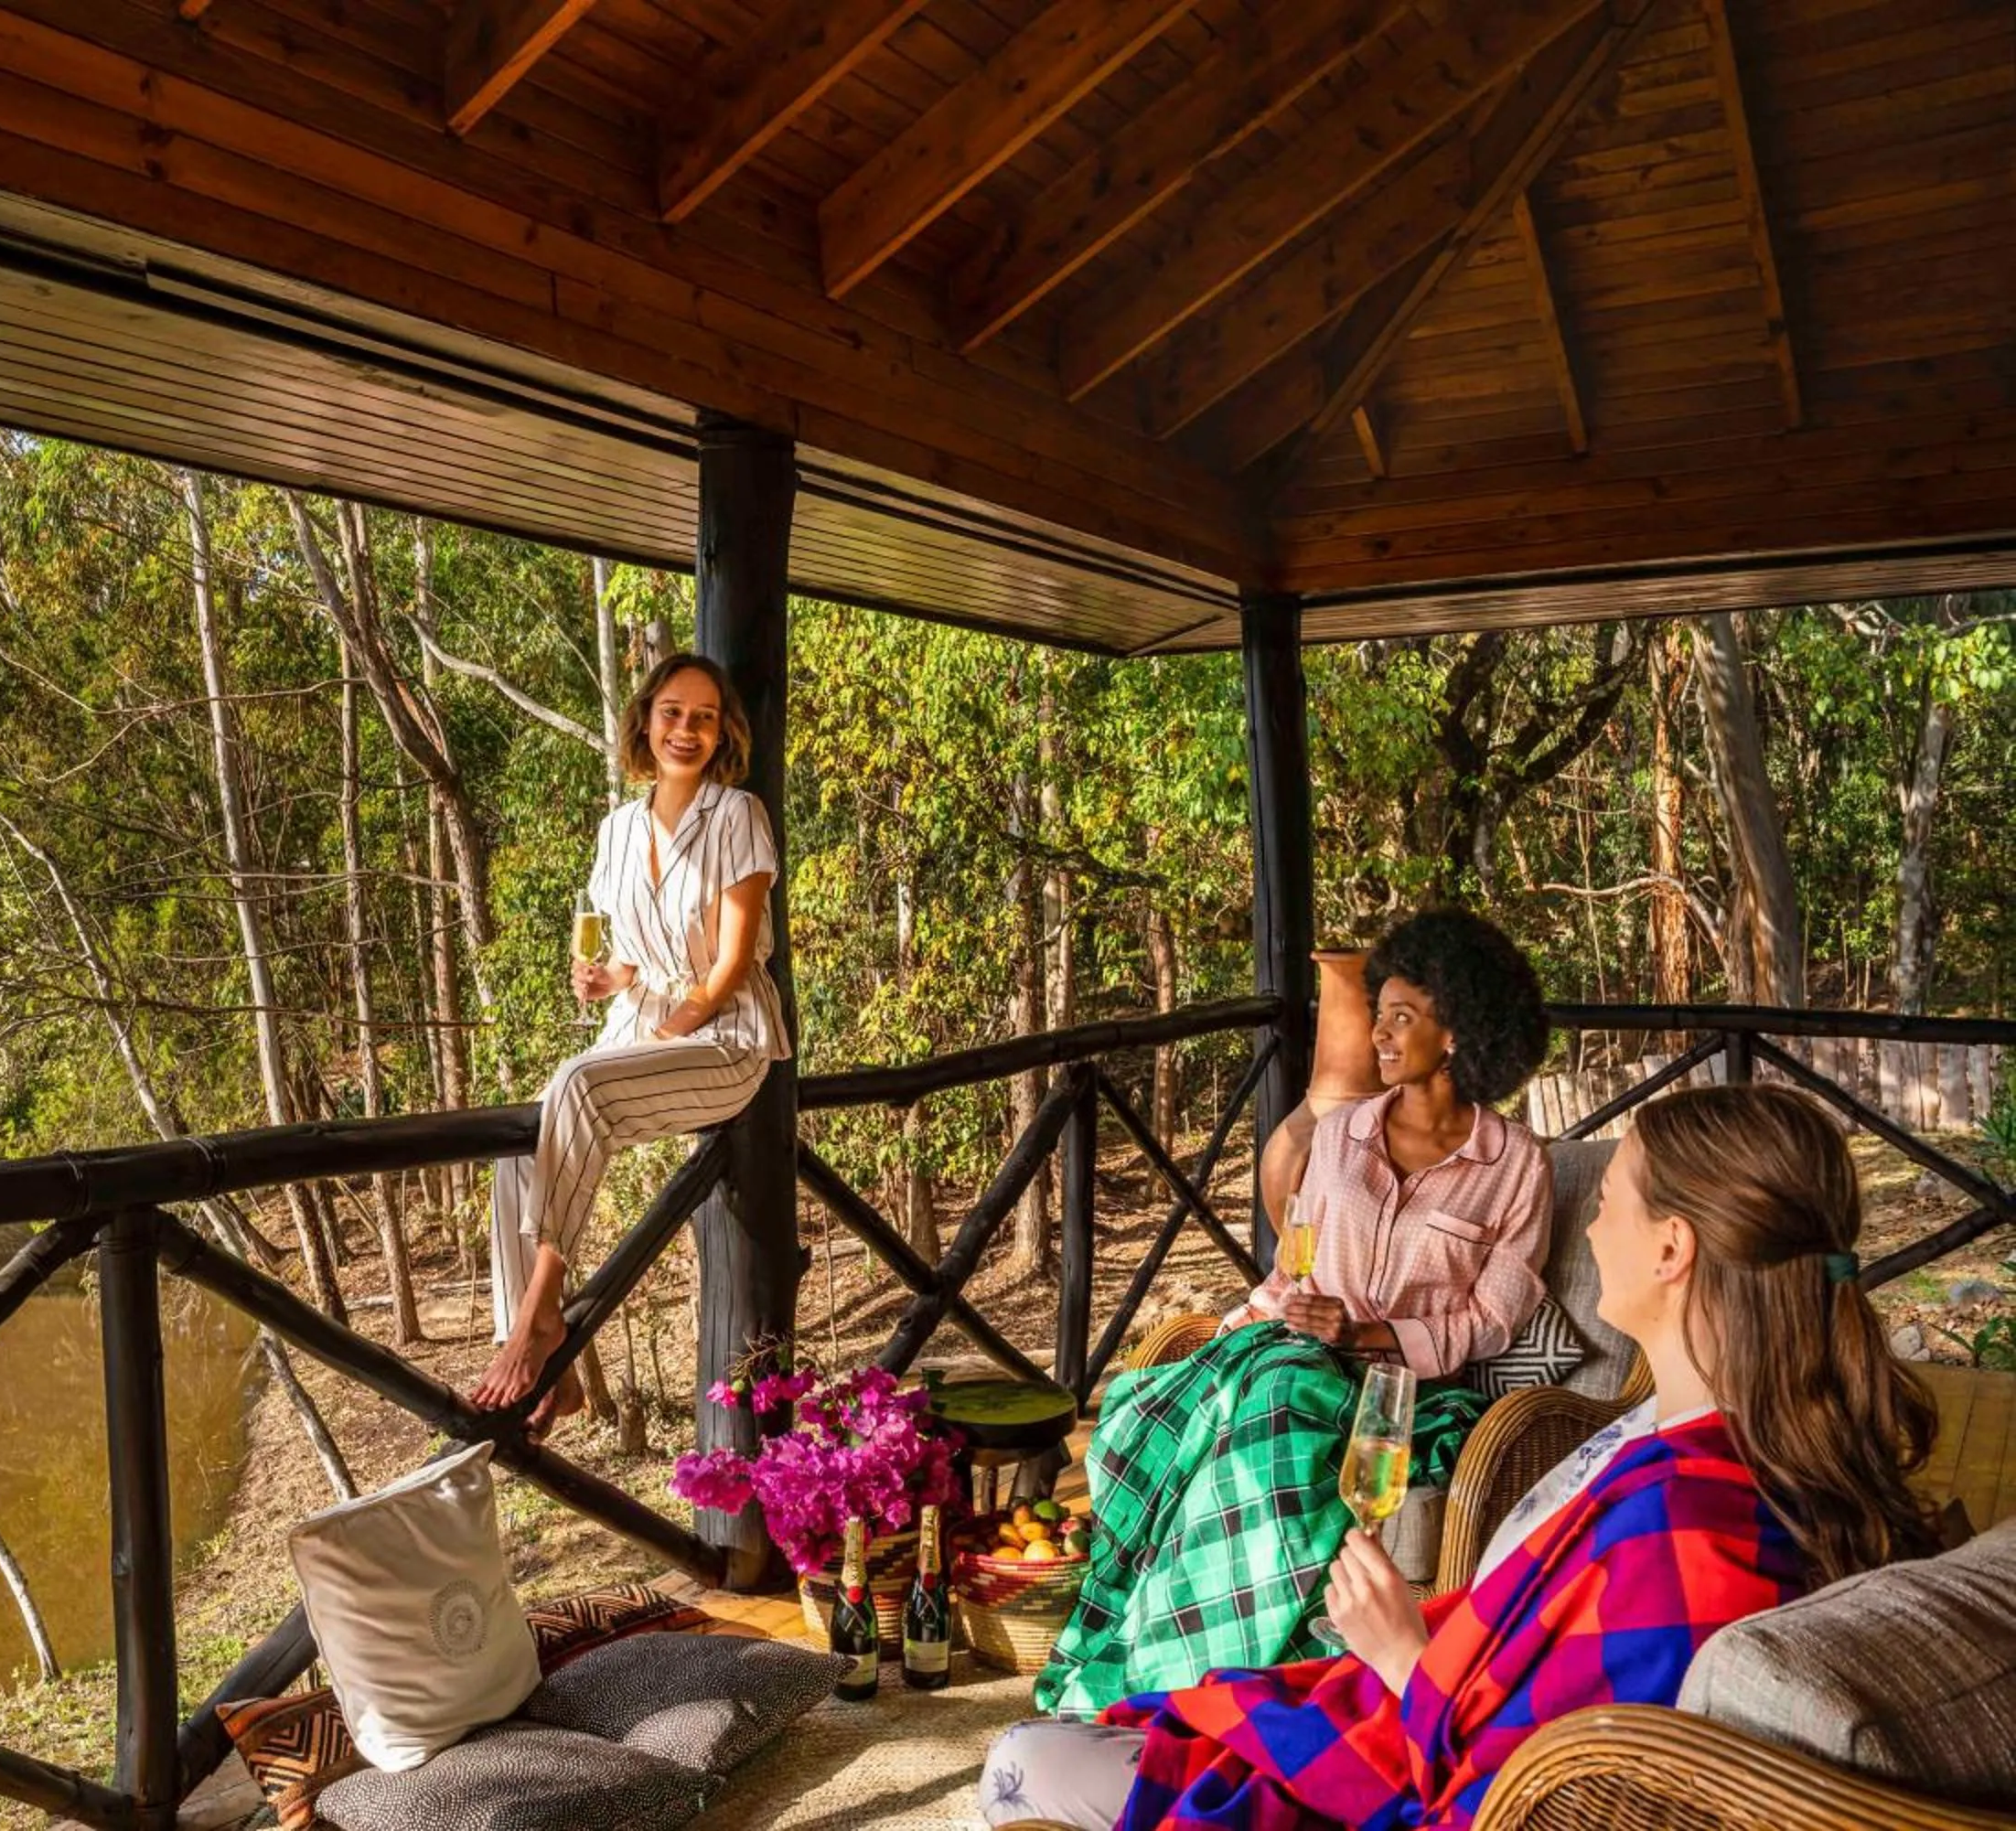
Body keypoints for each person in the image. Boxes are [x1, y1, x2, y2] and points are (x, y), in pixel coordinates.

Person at [981, 1083, 1942, 1829]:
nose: (1591, 1228)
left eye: (1609, 1202)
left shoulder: (1687, 1528)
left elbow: (1544, 1793)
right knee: (1102, 1727)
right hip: (1416, 1699)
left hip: (1417, 1744)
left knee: (1024, 1760)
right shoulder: (1706, 1442)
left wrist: (1402, 1653)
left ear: (1672, 1249)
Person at [1032, 911, 1555, 1719]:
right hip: (1295, 1355)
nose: (1379, 1034)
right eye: (1378, 1014)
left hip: (1408, 1394)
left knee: (1280, 1397)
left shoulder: (1516, 1166)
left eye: (1402, 1018)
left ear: (1456, 1031)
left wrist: (1367, 1334)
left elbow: (1493, 1319)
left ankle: (1169, 1685)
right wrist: (1236, 1331)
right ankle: (1178, 1664)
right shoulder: (1341, 1135)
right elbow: (1292, 1274)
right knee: (1174, 1403)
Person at [467, 653, 788, 1433]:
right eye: (672, 712)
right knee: (518, 1137)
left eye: (704, 717)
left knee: (577, 1085)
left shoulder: (736, 815)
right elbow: (639, 952)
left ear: (723, 733)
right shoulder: (616, 830)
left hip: (725, 1036)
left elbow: (730, 964)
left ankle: (538, 1321)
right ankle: (556, 1372)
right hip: (637, 1028)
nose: (686, 729)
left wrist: (674, 1022)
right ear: (645, 720)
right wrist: (607, 977)